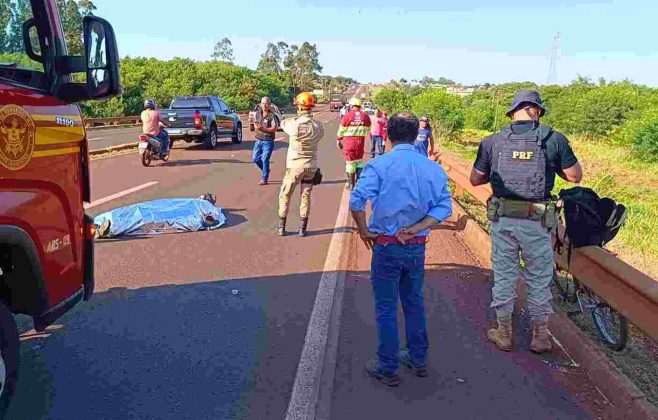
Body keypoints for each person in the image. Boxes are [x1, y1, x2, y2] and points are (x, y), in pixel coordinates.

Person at [469, 90, 583, 354]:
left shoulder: (492, 141)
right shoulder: (553, 139)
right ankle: (540, 336)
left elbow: (475, 179)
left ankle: (504, 332)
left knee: (505, 276)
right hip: (537, 222)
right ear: (538, 111)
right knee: (539, 278)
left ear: (512, 113)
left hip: (504, 220)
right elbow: (575, 176)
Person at [350, 112, 453, 387]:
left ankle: (387, 364)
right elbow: (444, 207)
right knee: (414, 302)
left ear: (387, 135)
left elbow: (357, 200)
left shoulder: (379, 165)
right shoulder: (433, 168)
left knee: (386, 306)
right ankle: (418, 358)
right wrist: (419, 227)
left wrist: (363, 230)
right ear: (416, 134)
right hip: (416, 247)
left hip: (386, 246)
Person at [277, 92, 325, 237]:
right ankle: (302, 229)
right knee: (305, 196)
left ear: (299, 106)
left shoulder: (293, 124)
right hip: (311, 166)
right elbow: (320, 133)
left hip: (295, 166)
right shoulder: (318, 126)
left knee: (285, 195)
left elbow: (283, 123)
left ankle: (281, 227)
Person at [337, 97, 371, 190]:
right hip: (360, 143)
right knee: (359, 162)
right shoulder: (365, 116)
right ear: (360, 106)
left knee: (350, 163)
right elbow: (368, 130)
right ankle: (359, 183)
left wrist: (339, 140)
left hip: (349, 144)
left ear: (351, 106)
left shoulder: (347, 116)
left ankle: (351, 184)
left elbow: (341, 131)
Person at [252, 97, 280, 185]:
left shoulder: (272, 116)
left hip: (268, 141)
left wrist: (263, 129)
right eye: (263, 103)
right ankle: (266, 170)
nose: (264, 105)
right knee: (255, 158)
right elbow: (255, 122)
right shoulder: (258, 114)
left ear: (269, 105)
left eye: (266, 103)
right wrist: (256, 126)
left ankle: (265, 178)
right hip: (259, 140)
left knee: (265, 159)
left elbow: (274, 128)